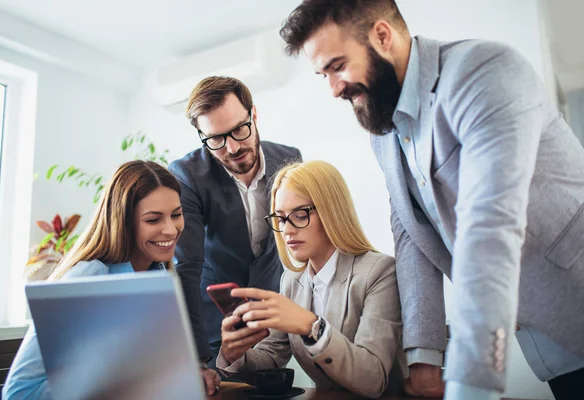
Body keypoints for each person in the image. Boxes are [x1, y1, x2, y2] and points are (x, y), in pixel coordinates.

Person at [279, 1, 584, 399]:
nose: (334, 88)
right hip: (547, 342)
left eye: (338, 66)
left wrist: (471, 385)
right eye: (324, 74)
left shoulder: (484, 74)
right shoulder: (383, 134)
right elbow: (412, 238)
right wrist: (425, 358)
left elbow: (489, 229)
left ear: (382, 36)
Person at [3, 160, 221, 399]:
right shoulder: (88, 276)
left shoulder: (160, 274)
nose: (170, 230)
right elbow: (18, 393)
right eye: (153, 220)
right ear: (123, 221)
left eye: (176, 215)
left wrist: (189, 374)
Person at [216, 160, 405, 398]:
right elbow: (271, 356)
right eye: (281, 218)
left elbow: (373, 379)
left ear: (331, 211)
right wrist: (235, 355)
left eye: (300, 214)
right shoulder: (292, 281)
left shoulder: (380, 272)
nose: (287, 230)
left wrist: (311, 326)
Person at [168, 76, 302, 369]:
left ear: (253, 115)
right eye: (216, 139)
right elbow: (186, 269)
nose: (231, 148)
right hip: (215, 326)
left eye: (239, 130)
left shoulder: (291, 159)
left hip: (272, 321)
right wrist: (199, 359)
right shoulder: (186, 175)